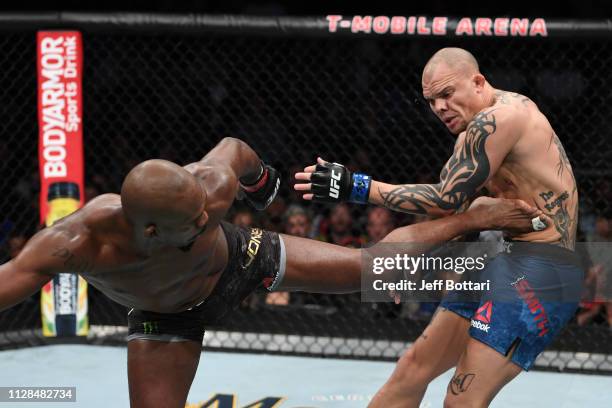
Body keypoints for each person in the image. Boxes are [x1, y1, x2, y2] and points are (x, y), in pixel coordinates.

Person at [0, 137, 543, 408]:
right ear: (146, 231)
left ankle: (474, 221)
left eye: (205, 210)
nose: (206, 216)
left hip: (241, 257)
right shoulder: (74, 244)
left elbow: (235, 150)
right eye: (191, 223)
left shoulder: (206, 191)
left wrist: (263, 186)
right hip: (165, 316)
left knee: (369, 271)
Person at [295, 47, 582, 407]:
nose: (440, 107)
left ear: (477, 82)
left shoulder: (501, 119)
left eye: (448, 94)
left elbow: (445, 199)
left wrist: (359, 186)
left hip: (544, 270)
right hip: (499, 258)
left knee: (461, 401)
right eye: (432, 100)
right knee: (411, 370)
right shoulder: (471, 134)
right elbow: (461, 213)